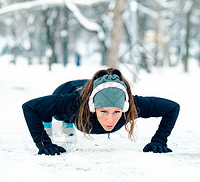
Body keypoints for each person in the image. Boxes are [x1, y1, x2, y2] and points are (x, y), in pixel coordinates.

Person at [22, 68, 180, 155]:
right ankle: (60, 122)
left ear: (124, 107)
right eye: (103, 112)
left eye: (116, 112)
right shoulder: (73, 103)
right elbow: (29, 107)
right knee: (55, 113)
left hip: (96, 89)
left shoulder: (133, 105)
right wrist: (43, 142)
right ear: (93, 108)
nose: (110, 120)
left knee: (66, 113)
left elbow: (173, 107)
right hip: (70, 88)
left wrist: (159, 140)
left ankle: (69, 122)